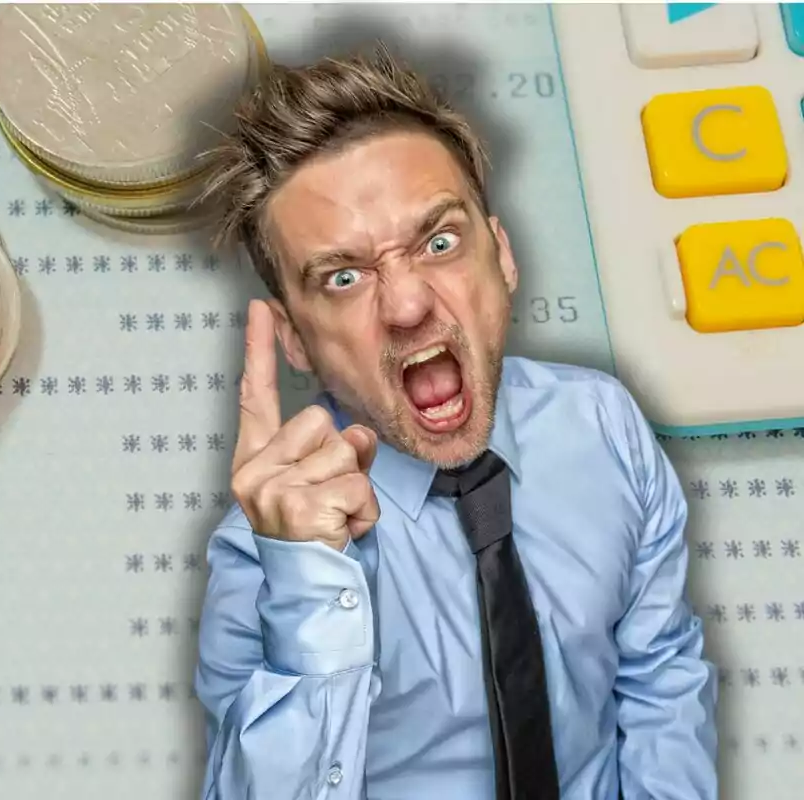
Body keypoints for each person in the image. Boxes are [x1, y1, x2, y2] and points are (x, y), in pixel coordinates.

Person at [193, 45, 718, 800]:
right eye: (343, 278)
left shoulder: (603, 424)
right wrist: (308, 586)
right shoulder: (265, 549)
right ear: (296, 339)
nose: (407, 305)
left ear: (500, 255)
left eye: (439, 242)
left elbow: (660, 673)